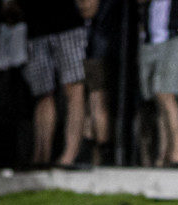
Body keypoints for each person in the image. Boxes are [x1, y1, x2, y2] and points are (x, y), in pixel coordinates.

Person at [19, 0, 87, 167]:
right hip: (37, 27)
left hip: (68, 24)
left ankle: (70, 155)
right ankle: (41, 157)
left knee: (74, 88)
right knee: (42, 94)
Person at [138, 0, 178, 168]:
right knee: (158, 98)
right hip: (153, 38)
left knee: (166, 93)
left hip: (177, 35)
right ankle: (163, 155)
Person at [76, 0, 121, 166]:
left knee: (97, 97)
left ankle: (103, 149)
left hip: (100, 47)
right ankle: (91, 147)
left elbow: (88, 9)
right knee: (90, 100)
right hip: (96, 46)